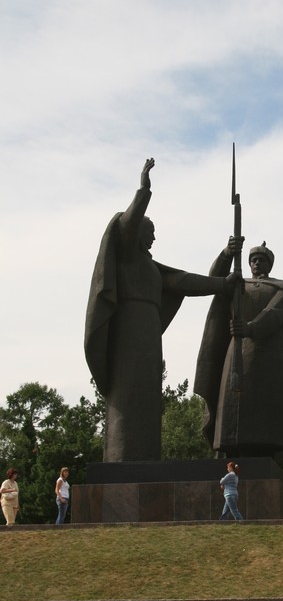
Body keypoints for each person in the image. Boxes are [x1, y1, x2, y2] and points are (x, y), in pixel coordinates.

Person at [84, 158, 240, 461]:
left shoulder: (152, 268)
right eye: (150, 231)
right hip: (129, 330)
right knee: (128, 392)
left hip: (149, 333)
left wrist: (222, 284)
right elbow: (126, 225)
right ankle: (122, 457)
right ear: (137, 233)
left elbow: (183, 281)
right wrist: (144, 191)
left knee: (147, 395)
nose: (154, 237)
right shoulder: (128, 255)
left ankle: (144, 456)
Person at [194, 238, 283, 457]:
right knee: (234, 406)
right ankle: (231, 450)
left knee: (265, 408)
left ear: (270, 265)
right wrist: (227, 253)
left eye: (262, 260)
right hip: (237, 351)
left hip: (269, 356)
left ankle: (267, 452)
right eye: (253, 260)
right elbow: (213, 280)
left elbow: (275, 313)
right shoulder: (237, 283)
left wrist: (250, 328)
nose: (257, 264)